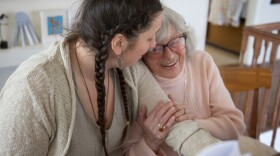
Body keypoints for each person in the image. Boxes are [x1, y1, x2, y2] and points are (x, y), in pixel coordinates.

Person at [0, 0, 182, 155]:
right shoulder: (32, 88)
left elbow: (179, 127)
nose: (154, 45)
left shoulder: (127, 68)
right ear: (119, 43)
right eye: (150, 38)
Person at [123, 6, 246, 156]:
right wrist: (150, 142)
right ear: (142, 52)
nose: (169, 56)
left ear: (185, 37)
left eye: (175, 41)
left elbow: (236, 125)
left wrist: (191, 124)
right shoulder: (139, 83)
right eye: (156, 48)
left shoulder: (202, 62)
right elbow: (127, 152)